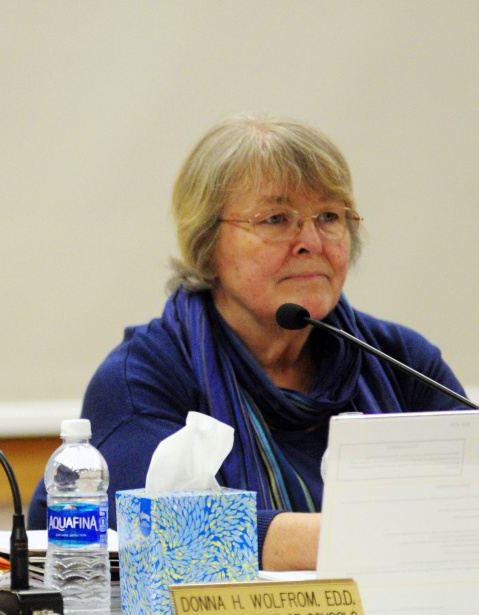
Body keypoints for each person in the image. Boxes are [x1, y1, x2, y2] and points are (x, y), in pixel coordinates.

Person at [28, 114, 466, 571]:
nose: (311, 241)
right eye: (277, 219)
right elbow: (173, 532)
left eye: (330, 216)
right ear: (208, 243)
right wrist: (397, 531)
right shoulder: (143, 378)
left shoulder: (399, 362)